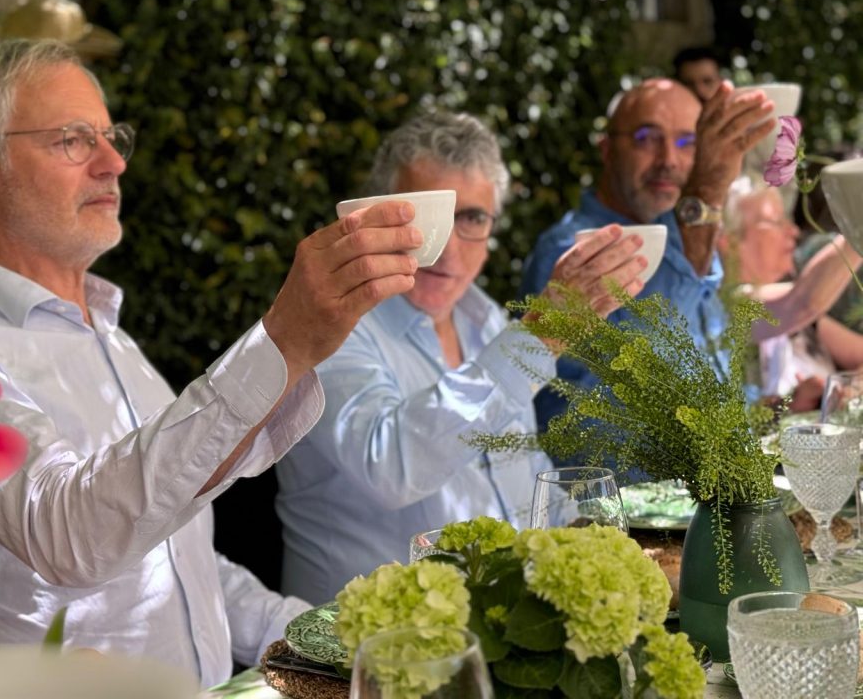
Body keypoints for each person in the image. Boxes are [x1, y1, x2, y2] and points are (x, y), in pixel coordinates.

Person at [0, 39, 423, 685]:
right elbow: (70, 533)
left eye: (113, 137)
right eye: (73, 139)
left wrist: (343, 642)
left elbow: (182, 565)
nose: (114, 162)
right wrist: (282, 341)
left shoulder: (113, 340)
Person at [275, 111, 648, 604]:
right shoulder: (332, 322)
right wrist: (542, 336)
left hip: (496, 633)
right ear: (376, 217)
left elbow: (525, 481)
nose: (448, 248)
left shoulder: (485, 319)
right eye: (425, 218)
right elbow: (391, 466)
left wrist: (608, 546)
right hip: (357, 657)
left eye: (471, 218)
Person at [520, 78, 775, 433]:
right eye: (647, 138)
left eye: (687, 142)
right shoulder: (572, 249)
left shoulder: (683, 236)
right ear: (607, 150)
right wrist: (706, 190)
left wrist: (763, 412)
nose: (669, 159)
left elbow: (706, 366)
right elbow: (632, 403)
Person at [720, 184, 863, 411]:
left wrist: (848, 389)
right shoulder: (723, 308)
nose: (793, 231)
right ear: (731, 242)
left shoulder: (805, 320)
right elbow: (802, 301)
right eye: (776, 221)